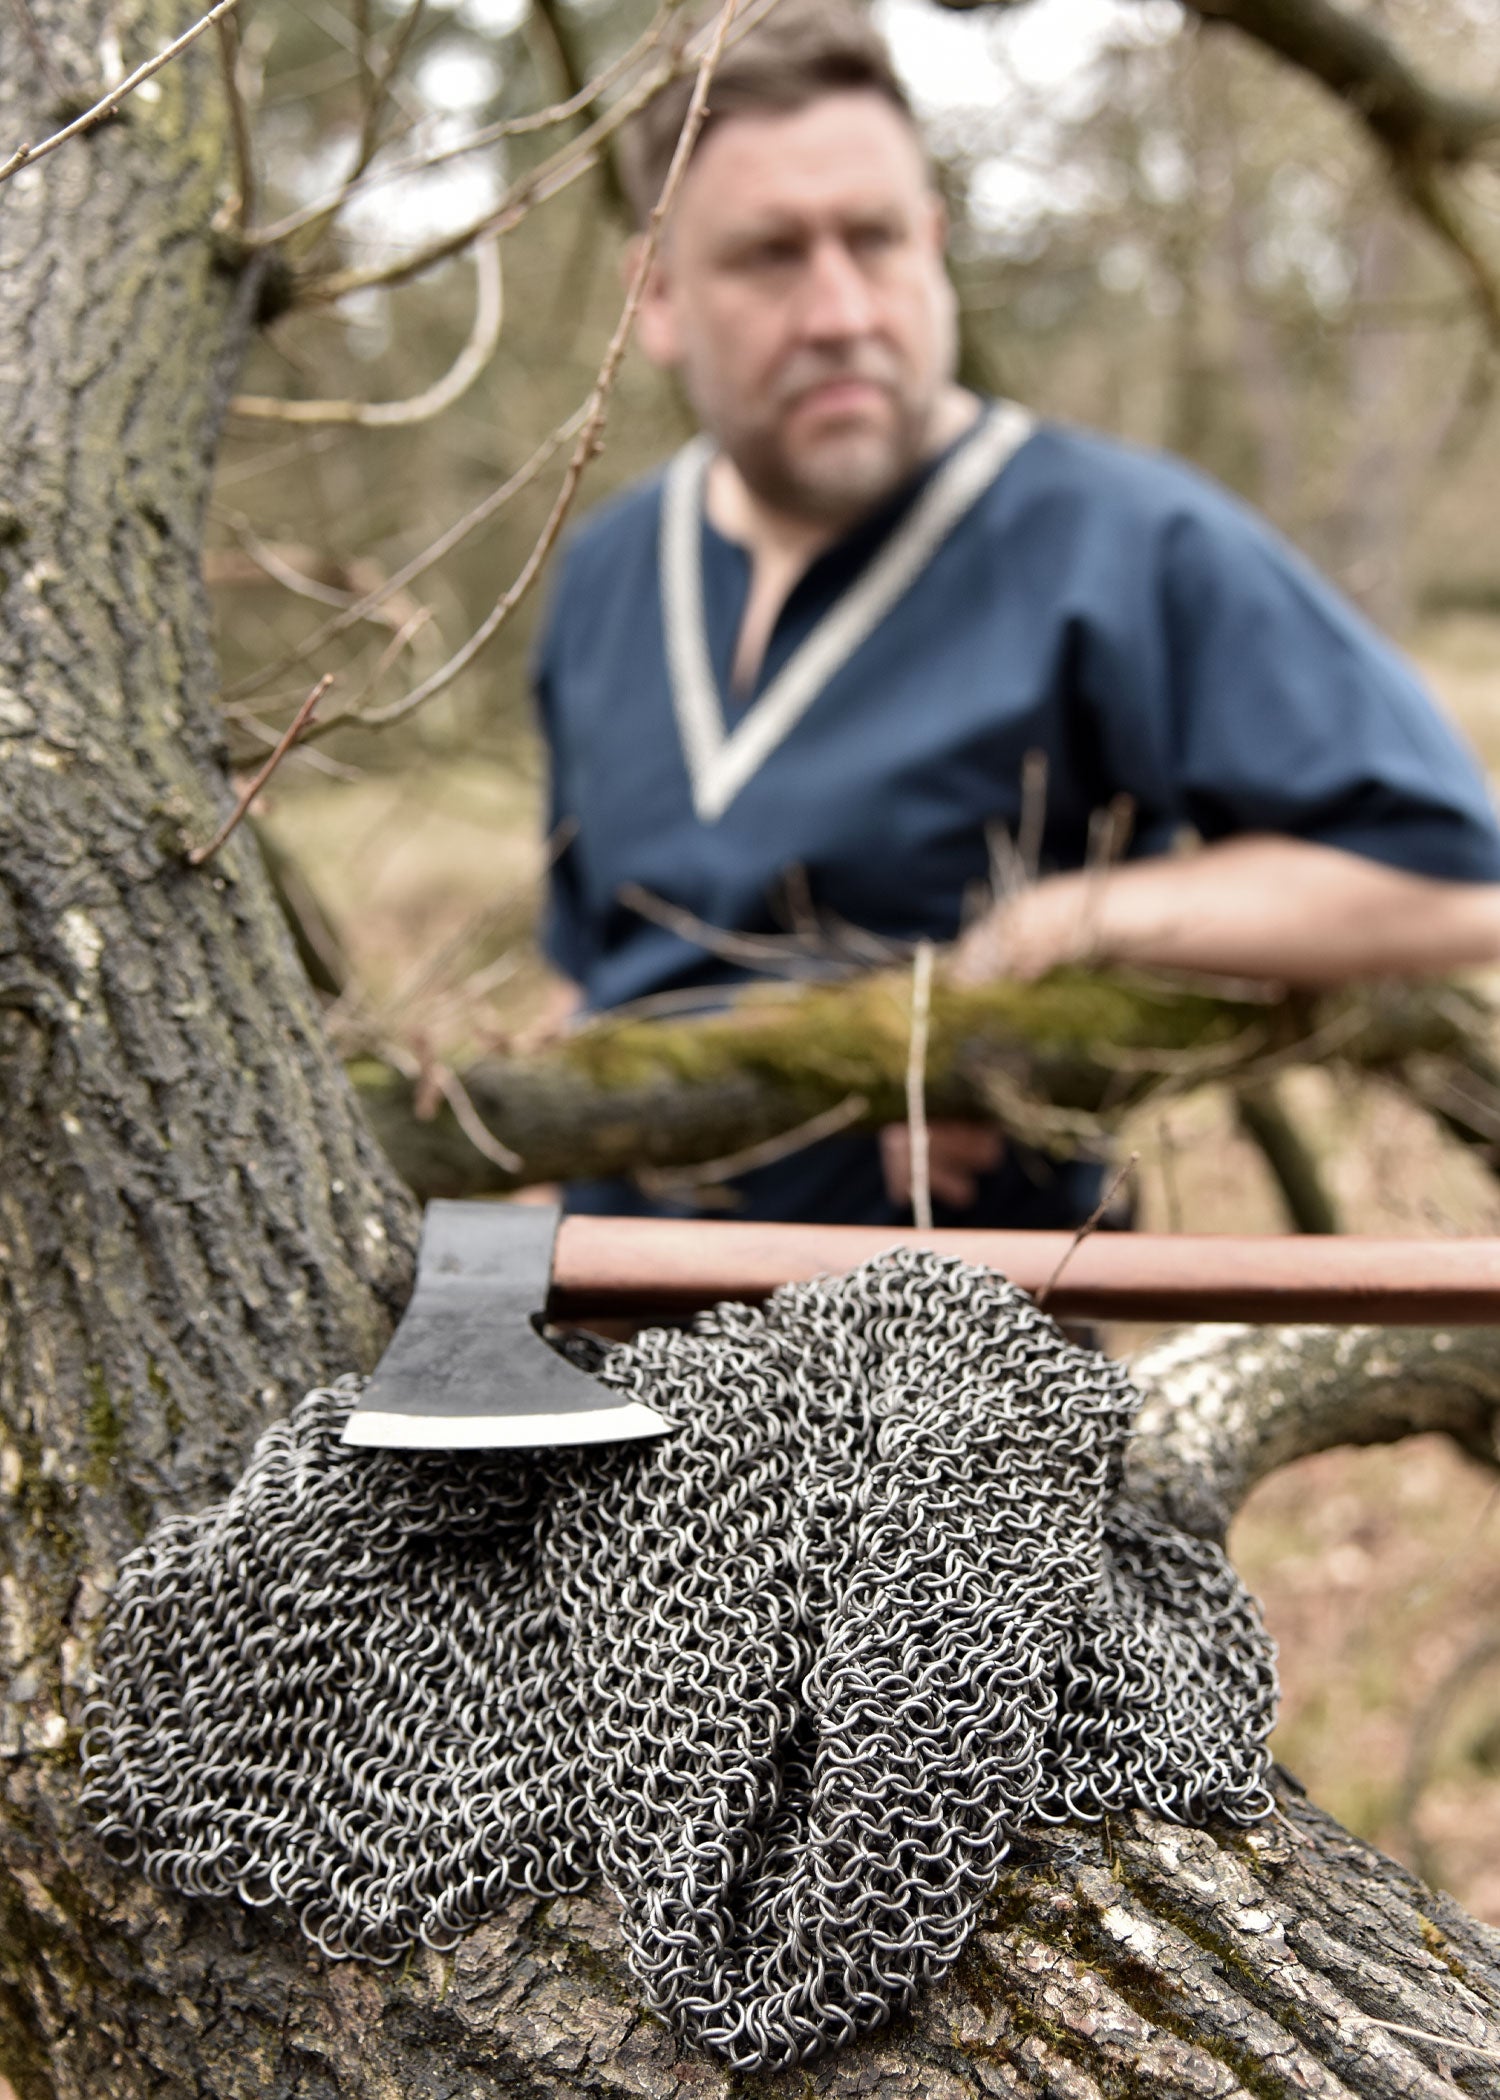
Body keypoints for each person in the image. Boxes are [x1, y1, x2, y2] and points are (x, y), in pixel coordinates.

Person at [530, 0, 1500, 1228]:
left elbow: (1456, 884)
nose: (840, 312)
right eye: (771, 255)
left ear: (934, 244)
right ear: (656, 296)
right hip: (619, 1351)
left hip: (959, 1375)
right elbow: (583, 979)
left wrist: (1065, 922)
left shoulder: (1117, 544)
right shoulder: (608, 571)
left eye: (874, 241)